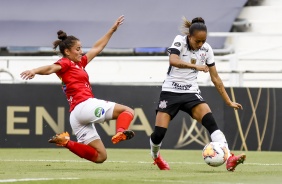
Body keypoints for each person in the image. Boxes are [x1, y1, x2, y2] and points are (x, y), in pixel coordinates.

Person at [20, 15, 135, 163]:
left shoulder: (79, 64)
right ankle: (120, 132)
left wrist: (112, 30)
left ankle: (65, 142)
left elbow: (97, 48)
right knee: (128, 111)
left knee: (100, 157)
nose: (81, 52)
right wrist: (34, 70)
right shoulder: (66, 63)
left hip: (76, 115)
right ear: (67, 52)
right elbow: (50, 68)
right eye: (78, 49)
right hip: (84, 105)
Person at [149, 17, 246, 171]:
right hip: (170, 92)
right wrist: (197, 67)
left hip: (191, 92)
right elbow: (173, 60)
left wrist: (228, 101)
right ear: (190, 37)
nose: (200, 45)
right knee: (159, 134)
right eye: (197, 41)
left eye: (203, 41)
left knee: (211, 122)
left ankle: (230, 158)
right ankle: (156, 157)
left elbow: (215, 78)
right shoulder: (180, 41)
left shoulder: (207, 49)